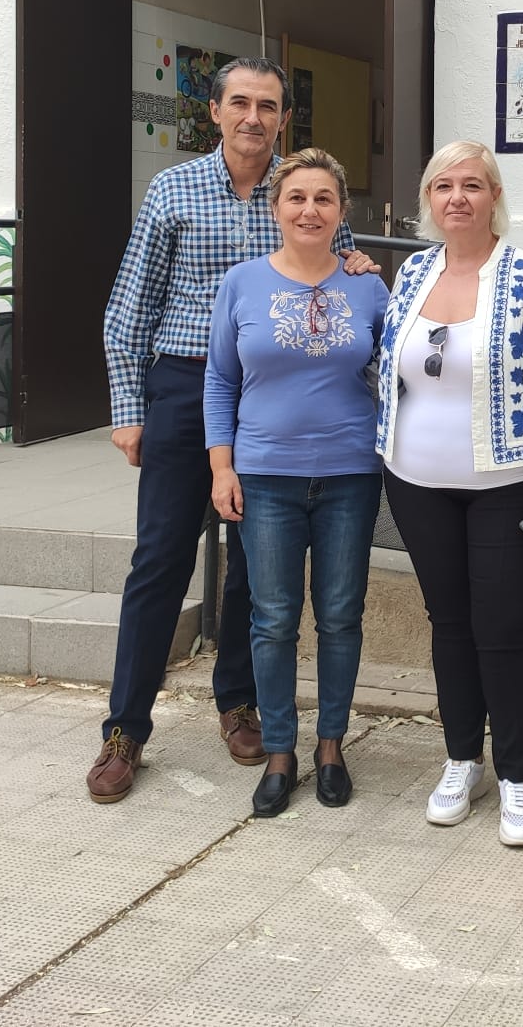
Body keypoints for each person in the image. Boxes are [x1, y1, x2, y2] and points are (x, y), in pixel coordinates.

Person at [89, 58, 376, 805]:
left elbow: (336, 269)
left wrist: (356, 262)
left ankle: (239, 702)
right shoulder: (174, 191)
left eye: (269, 106)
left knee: (258, 569)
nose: (254, 116)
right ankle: (125, 730)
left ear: (284, 118)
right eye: (240, 103)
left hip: (279, 396)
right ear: (214, 112)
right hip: (188, 386)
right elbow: (128, 308)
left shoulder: (303, 191)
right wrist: (128, 409)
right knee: (160, 559)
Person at [375, 140, 523, 847]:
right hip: (415, 483)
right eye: (443, 186)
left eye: (471, 184)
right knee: (449, 623)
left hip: (507, 487)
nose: (456, 197)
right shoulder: (411, 274)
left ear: (494, 195)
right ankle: (463, 758)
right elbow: (389, 367)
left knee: (503, 627)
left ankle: (517, 773)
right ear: (429, 200)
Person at [205, 148, 389, 818]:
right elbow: (220, 378)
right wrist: (221, 465)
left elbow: (398, 370)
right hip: (264, 476)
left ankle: (331, 746)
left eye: (323, 199)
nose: (309, 210)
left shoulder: (368, 286)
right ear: (276, 209)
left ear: (342, 212)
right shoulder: (242, 283)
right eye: (296, 198)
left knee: (340, 615)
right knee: (273, 618)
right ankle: (280, 750)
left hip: (349, 475)